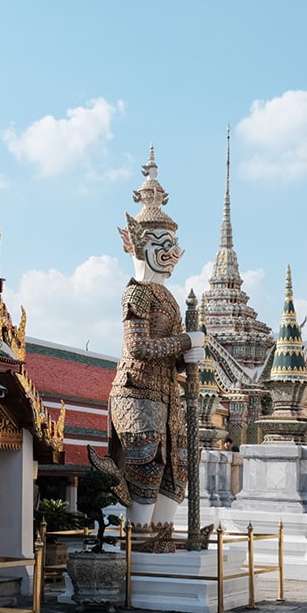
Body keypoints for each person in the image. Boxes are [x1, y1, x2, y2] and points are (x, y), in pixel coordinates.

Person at [105, 147, 204, 532]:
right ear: (136, 243)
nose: (170, 252)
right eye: (160, 244)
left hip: (168, 395)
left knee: (178, 469)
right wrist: (184, 342)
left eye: (172, 245)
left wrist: (192, 352)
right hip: (137, 392)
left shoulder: (170, 299)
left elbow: (175, 356)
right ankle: (139, 540)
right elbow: (138, 348)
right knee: (146, 467)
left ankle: (163, 539)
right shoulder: (137, 294)